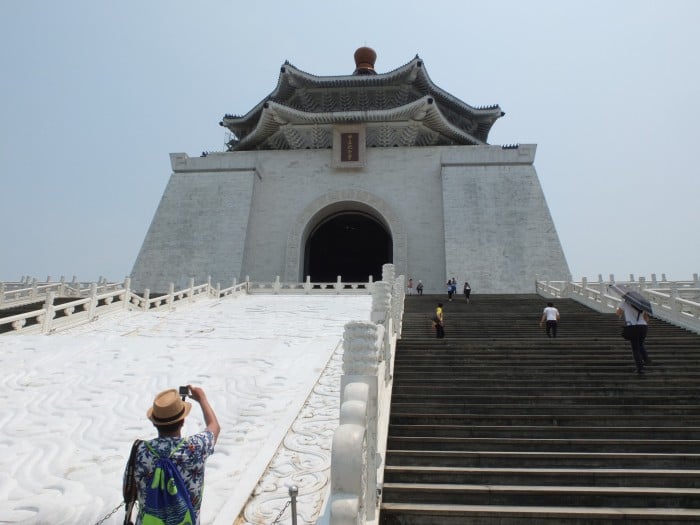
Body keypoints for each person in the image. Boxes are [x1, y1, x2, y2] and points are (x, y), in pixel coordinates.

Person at [125, 386, 221, 524]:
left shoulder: (140, 450)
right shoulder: (196, 447)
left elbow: (129, 489)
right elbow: (214, 426)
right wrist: (202, 399)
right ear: (182, 421)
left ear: (154, 423)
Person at [616, 300, 650, 375]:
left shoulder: (625, 302)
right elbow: (646, 319)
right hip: (643, 327)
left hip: (633, 327)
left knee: (635, 348)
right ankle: (646, 359)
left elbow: (618, 313)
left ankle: (640, 368)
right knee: (640, 344)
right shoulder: (642, 304)